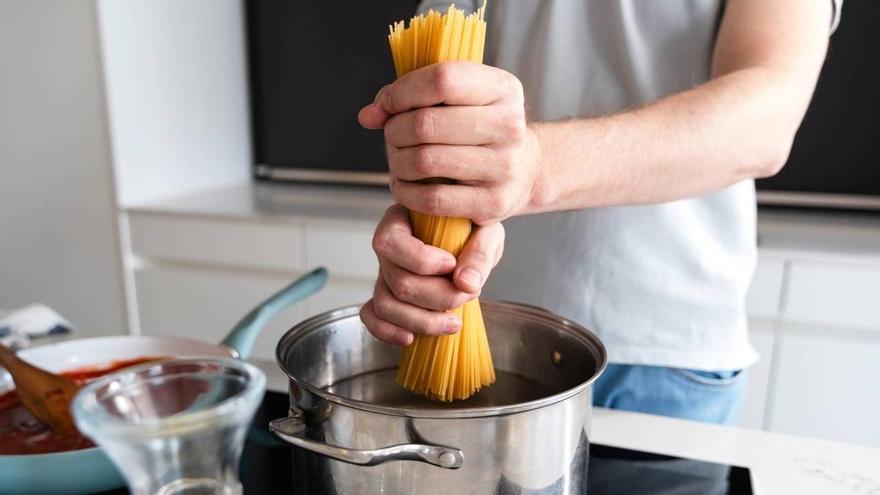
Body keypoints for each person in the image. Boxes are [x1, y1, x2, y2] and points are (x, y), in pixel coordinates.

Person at [357, 0, 842, 425]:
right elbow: (437, 95)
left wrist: (535, 170)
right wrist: (430, 218)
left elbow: (767, 118)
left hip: (670, 353)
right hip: (495, 333)